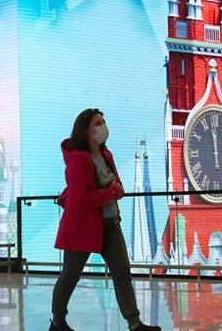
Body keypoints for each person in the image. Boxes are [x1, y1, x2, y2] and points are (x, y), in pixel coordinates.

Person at [49, 108, 160, 331]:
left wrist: (117, 190)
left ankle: (134, 323)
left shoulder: (106, 155)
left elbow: (116, 184)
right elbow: (81, 199)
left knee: (122, 273)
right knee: (70, 275)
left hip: (110, 224)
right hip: (82, 227)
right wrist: (110, 192)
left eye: (103, 121)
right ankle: (58, 322)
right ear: (86, 130)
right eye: (98, 123)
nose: (103, 127)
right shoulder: (77, 161)